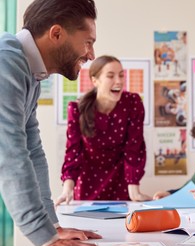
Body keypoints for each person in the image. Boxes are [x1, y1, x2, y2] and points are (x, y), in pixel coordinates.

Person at [0, 0, 109, 246]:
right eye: (88, 42)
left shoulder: (28, 72)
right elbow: (9, 153)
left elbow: (32, 149)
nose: (91, 54)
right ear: (56, 33)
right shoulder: (6, 62)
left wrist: (50, 225)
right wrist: (44, 237)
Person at [56, 55, 151, 205]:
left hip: (121, 182)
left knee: (120, 225)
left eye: (121, 75)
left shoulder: (133, 103)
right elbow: (73, 151)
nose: (118, 81)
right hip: (87, 181)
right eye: (110, 76)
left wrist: (134, 186)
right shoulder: (77, 109)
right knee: (88, 226)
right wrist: (68, 188)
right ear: (95, 80)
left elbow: (134, 147)